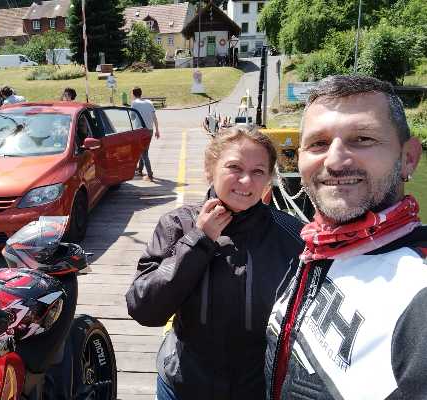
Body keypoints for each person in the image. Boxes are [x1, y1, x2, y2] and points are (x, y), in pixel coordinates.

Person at [265, 75, 425, 400]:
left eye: (362, 139)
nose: (335, 161)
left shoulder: (418, 292)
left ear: (408, 157)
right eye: (318, 144)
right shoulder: (318, 246)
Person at [126, 127, 304, 400]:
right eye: (235, 167)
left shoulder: (293, 235)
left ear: (269, 178)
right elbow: (145, 309)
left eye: (258, 171)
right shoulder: (178, 224)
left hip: (257, 389)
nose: (246, 180)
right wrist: (199, 240)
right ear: (211, 169)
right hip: (183, 385)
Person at [131, 86, 160, 182]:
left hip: (140, 131)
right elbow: (154, 117)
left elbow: (132, 117)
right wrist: (157, 130)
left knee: (144, 152)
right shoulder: (149, 102)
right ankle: (140, 170)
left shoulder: (134, 103)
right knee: (143, 149)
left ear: (133, 94)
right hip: (150, 130)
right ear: (141, 93)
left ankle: (150, 174)